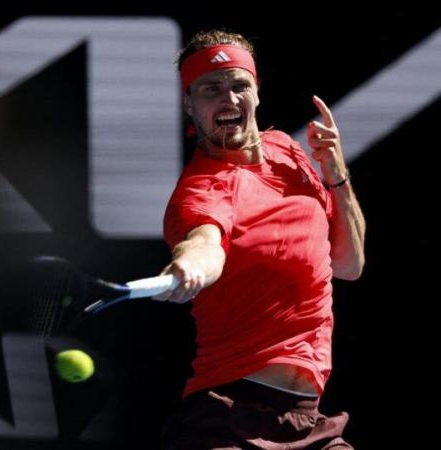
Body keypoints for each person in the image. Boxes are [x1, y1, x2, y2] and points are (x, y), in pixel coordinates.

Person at [155, 30, 366, 449]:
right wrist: (191, 265)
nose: (228, 99)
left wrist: (336, 174)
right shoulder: (201, 187)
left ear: (256, 92)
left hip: (308, 416)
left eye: (239, 85)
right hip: (228, 416)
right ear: (189, 105)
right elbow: (204, 241)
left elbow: (349, 265)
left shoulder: (289, 151)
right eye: (211, 89)